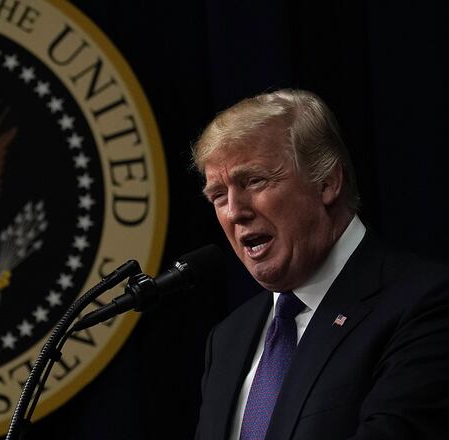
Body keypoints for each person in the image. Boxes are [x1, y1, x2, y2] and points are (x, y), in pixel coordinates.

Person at [191, 89, 449, 439]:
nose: (235, 211)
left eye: (254, 181)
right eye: (218, 196)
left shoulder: (426, 301)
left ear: (327, 182)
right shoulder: (227, 340)